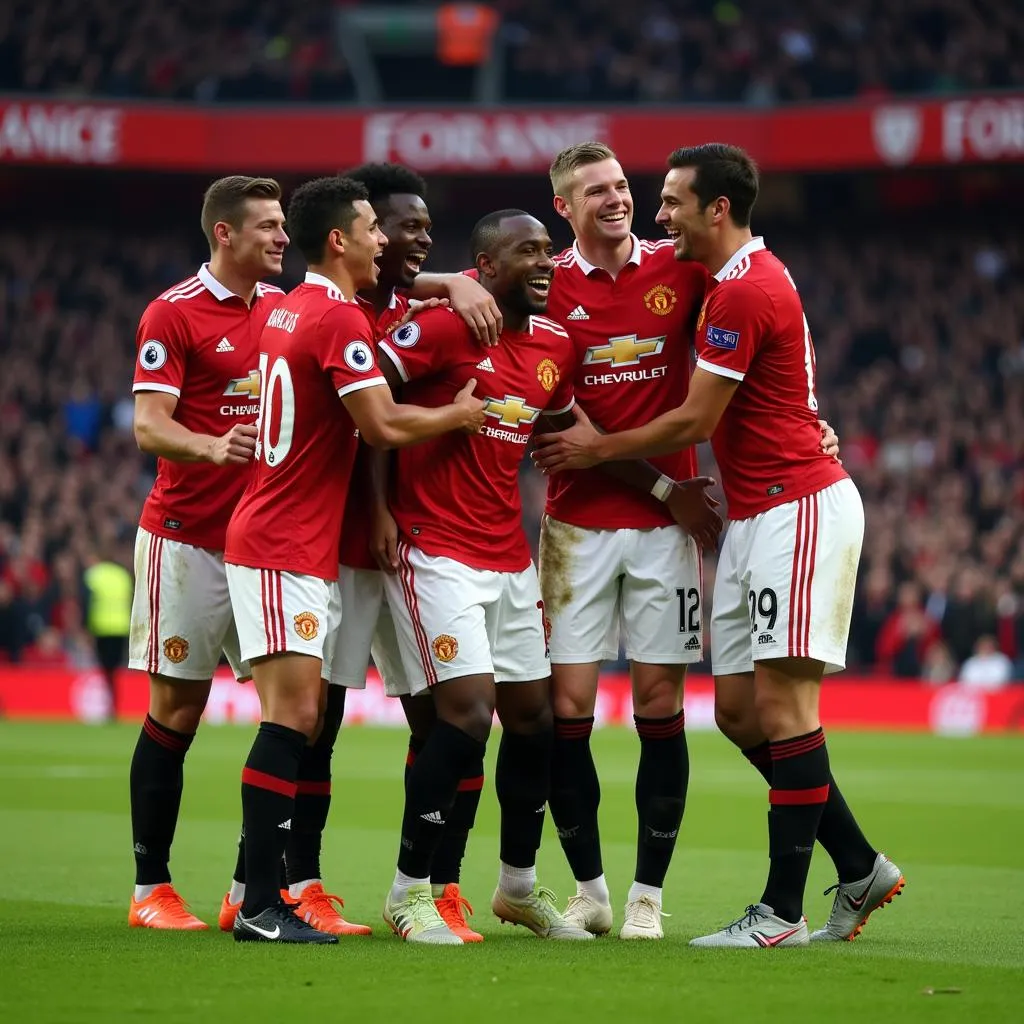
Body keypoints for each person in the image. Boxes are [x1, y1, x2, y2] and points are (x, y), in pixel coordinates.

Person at [532, 143, 904, 948]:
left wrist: (606, 454)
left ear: (716, 211)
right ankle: (857, 860)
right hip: (735, 517)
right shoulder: (686, 275)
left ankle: (780, 912)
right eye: (604, 190)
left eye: (658, 197)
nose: (645, 209)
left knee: (778, 708)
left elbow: (702, 415)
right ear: (564, 205)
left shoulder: (722, 281)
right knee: (738, 713)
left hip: (782, 506)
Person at [223, 176, 485, 944]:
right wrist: (459, 413)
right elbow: (380, 422)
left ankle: (262, 896)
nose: (381, 240)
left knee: (301, 718)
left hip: (291, 537)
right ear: (340, 240)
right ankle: (263, 902)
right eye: (372, 228)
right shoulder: (338, 318)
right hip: (282, 539)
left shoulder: (284, 306)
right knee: (294, 718)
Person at [370, 208, 591, 945]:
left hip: (508, 557)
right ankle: (408, 895)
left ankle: (518, 891)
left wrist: (663, 484)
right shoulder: (440, 326)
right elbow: (366, 402)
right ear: (485, 268)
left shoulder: (556, 344)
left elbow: (571, 433)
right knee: (465, 715)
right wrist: (377, 509)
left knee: (536, 721)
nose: (546, 261)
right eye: (527, 251)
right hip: (435, 550)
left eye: (549, 250)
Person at [127, 175, 288, 931]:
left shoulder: (287, 313)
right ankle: (150, 889)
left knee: (295, 711)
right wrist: (211, 445)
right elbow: (150, 426)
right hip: (187, 541)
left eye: (285, 225)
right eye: (266, 227)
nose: (281, 238)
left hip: (265, 544)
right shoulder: (174, 312)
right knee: (178, 709)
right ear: (225, 233)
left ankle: (243, 887)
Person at [330, 162, 487, 942]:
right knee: (314, 721)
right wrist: (381, 506)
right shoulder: (334, 308)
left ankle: (434, 884)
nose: (421, 236)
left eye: (429, 225)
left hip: (407, 547)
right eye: (404, 224)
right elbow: (372, 423)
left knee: (445, 721)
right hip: (338, 544)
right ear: (364, 230)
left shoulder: (403, 302)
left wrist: (454, 280)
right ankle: (279, 882)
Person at [83, 545, 133, 720]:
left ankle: (108, 706)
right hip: (121, 628)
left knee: (105, 668)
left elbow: (86, 602)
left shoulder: (94, 575)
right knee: (114, 670)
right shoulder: (122, 575)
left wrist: (86, 627)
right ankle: (113, 705)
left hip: (101, 628)